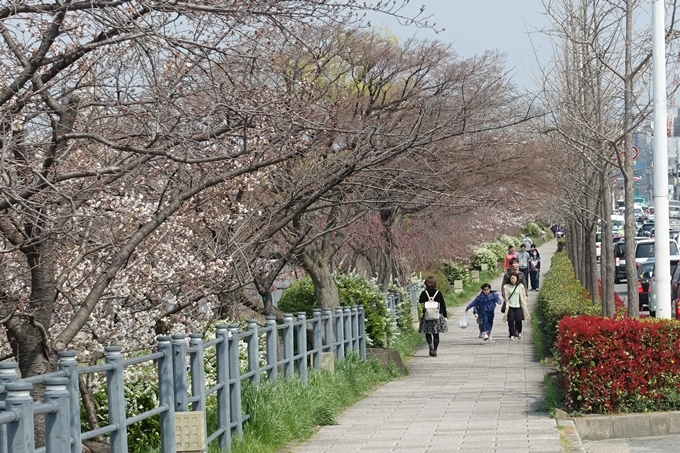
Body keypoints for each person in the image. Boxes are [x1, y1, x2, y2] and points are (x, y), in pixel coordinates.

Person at [418, 276, 448, 357]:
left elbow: (420, 300)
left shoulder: (424, 293)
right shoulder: (438, 292)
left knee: (428, 333)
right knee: (436, 334)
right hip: (437, 315)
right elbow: (443, 304)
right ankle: (435, 350)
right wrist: (445, 315)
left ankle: (430, 345)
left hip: (427, 315)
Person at [502, 273, 530, 340]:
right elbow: (505, 296)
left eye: (514, 278)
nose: (512, 280)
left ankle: (518, 331)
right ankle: (512, 334)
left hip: (518, 306)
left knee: (518, 320)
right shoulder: (506, 287)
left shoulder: (520, 286)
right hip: (510, 306)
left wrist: (525, 300)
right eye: (511, 278)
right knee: (511, 321)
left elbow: (523, 295)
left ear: (517, 278)